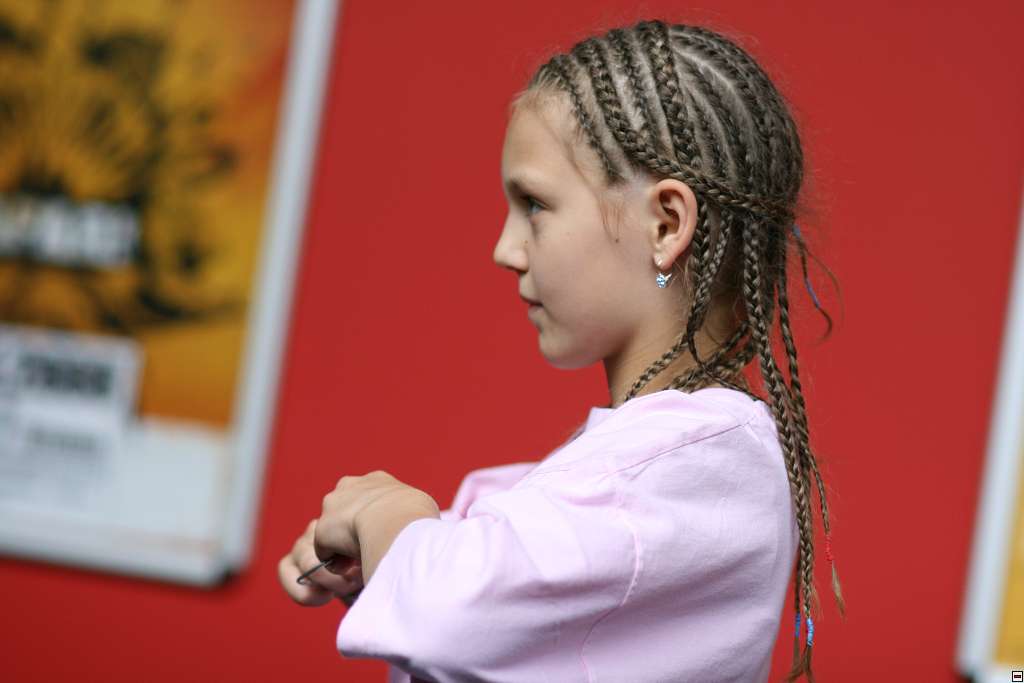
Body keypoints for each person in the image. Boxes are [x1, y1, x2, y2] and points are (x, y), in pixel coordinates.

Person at [278, 18, 845, 682]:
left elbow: (450, 612)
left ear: (665, 225)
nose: (505, 249)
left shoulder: (689, 460)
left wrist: (388, 515)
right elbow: (500, 614)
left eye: (535, 205)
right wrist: (385, 565)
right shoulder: (664, 461)